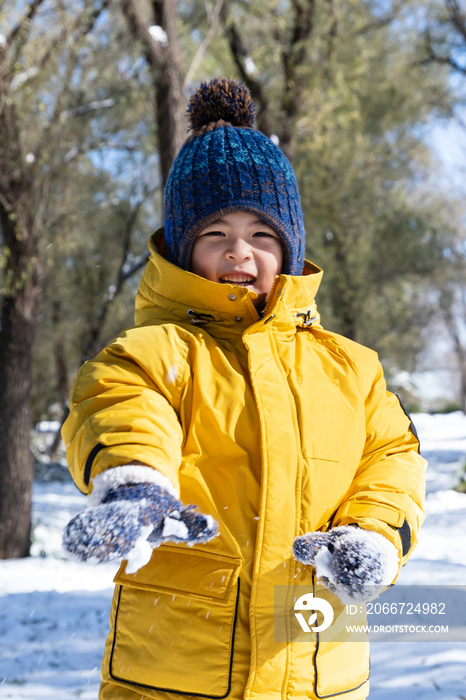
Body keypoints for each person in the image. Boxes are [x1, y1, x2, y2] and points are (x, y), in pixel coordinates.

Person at [62, 77, 426, 700]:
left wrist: (372, 533)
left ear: (288, 247)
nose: (240, 252)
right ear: (183, 250)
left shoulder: (349, 368)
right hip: (177, 674)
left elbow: (391, 456)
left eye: (261, 233)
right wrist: (138, 481)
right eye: (214, 235)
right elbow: (121, 405)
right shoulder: (159, 351)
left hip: (317, 673)